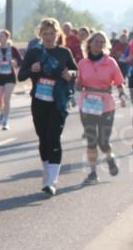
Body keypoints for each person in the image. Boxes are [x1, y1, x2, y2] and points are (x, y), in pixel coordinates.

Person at [17, 18, 77, 196]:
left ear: (58, 34)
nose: (49, 37)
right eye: (45, 34)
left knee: (54, 136)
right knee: (43, 138)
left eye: (52, 33)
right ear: (40, 35)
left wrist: (70, 74)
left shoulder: (64, 53)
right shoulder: (34, 53)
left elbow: (75, 71)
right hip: (39, 100)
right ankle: (47, 170)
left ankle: (52, 181)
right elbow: (21, 76)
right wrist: (32, 69)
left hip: (58, 101)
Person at [77, 31, 126, 183]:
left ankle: (110, 157)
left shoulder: (110, 62)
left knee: (103, 141)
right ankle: (93, 173)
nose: (99, 44)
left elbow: (119, 82)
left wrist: (122, 95)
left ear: (105, 45)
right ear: (89, 43)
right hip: (87, 104)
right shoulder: (82, 63)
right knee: (91, 140)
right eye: (96, 41)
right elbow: (79, 84)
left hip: (106, 104)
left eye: (102, 42)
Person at [0, 29, 21, 130]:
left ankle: (6, 120)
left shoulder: (13, 49)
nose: (0, 38)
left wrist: (14, 62)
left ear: (7, 37)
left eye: (2, 36)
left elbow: (20, 62)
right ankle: (2, 113)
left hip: (10, 76)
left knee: (7, 99)